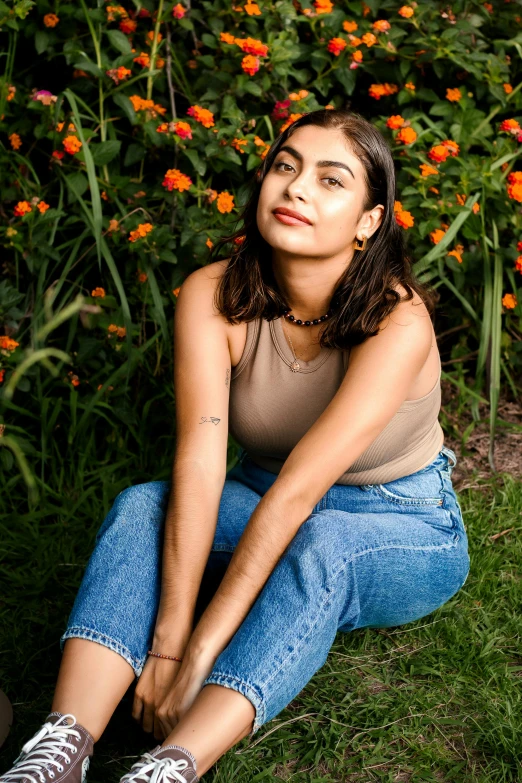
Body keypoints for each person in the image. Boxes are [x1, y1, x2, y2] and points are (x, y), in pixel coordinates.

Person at [0, 109, 470, 783]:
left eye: (330, 179)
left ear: (369, 221)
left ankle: (168, 765)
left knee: (324, 539)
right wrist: (166, 641)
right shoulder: (212, 294)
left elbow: (302, 494)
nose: (297, 188)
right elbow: (198, 459)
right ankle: (60, 748)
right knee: (143, 505)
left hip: (402, 520)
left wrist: (197, 653)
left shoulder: (397, 319)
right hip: (259, 493)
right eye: (285, 166)